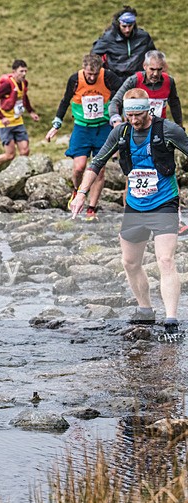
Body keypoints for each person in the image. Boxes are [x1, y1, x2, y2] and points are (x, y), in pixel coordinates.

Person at [71, 88, 188, 337]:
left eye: (139, 115)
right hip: (135, 205)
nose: (134, 121)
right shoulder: (121, 132)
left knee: (165, 260)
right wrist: (82, 193)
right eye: (130, 116)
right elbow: (97, 162)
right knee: (129, 262)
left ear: (149, 111)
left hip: (165, 202)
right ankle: (145, 310)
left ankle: (171, 319)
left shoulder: (168, 130)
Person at [45, 54, 123, 221]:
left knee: (99, 170)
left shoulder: (108, 77)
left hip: (103, 128)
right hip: (82, 128)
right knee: (79, 167)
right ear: (83, 69)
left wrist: (117, 115)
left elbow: (122, 92)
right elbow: (65, 101)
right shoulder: (75, 79)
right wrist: (56, 125)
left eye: (95, 74)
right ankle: (77, 189)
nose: (92, 77)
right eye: (89, 74)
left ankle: (92, 208)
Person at [0, 59, 40, 182]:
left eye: (25, 71)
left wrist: (31, 112)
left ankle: (21, 175)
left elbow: (24, 98)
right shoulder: (7, 85)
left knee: (25, 150)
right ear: (14, 72)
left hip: (18, 122)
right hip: (5, 124)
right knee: (10, 155)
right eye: (21, 71)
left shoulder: (24, 83)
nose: (24, 74)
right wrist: (1, 117)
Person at [108, 50, 182, 127]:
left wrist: (180, 126)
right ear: (144, 66)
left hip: (159, 127)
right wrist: (116, 121)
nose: (156, 74)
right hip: (136, 128)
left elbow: (175, 104)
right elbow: (115, 102)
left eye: (159, 69)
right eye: (152, 69)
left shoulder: (169, 81)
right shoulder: (133, 81)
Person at [91, 6, 156, 81]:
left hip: (138, 78)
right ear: (118, 24)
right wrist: (102, 71)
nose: (127, 30)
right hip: (116, 79)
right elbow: (93, 55)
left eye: (130, 26)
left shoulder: (144, 37)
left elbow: (153, 56)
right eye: (124, 26)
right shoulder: (109, 38)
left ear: (134, 24)